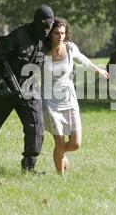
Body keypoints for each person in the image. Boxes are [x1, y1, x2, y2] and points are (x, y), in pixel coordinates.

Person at [0, 5, 54, 173]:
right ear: (37, 22)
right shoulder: (17, 37)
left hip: (28, 88)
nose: (47, 31)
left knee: (36, 126)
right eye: (44, 26)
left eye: (50, 27)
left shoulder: (48, 38)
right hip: (3, 89)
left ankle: (29, 167)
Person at [42, 18, 109, 175]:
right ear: (50, 34)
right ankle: (61, 178)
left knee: (76, 143)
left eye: (63, 33)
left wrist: (97, 69)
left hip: (69, 100)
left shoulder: (70, 48)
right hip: (51, 102)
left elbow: (82, 58)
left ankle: (61, 154)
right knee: (59, 142)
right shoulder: (43, 53)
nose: (61, 37)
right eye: (57, 33)